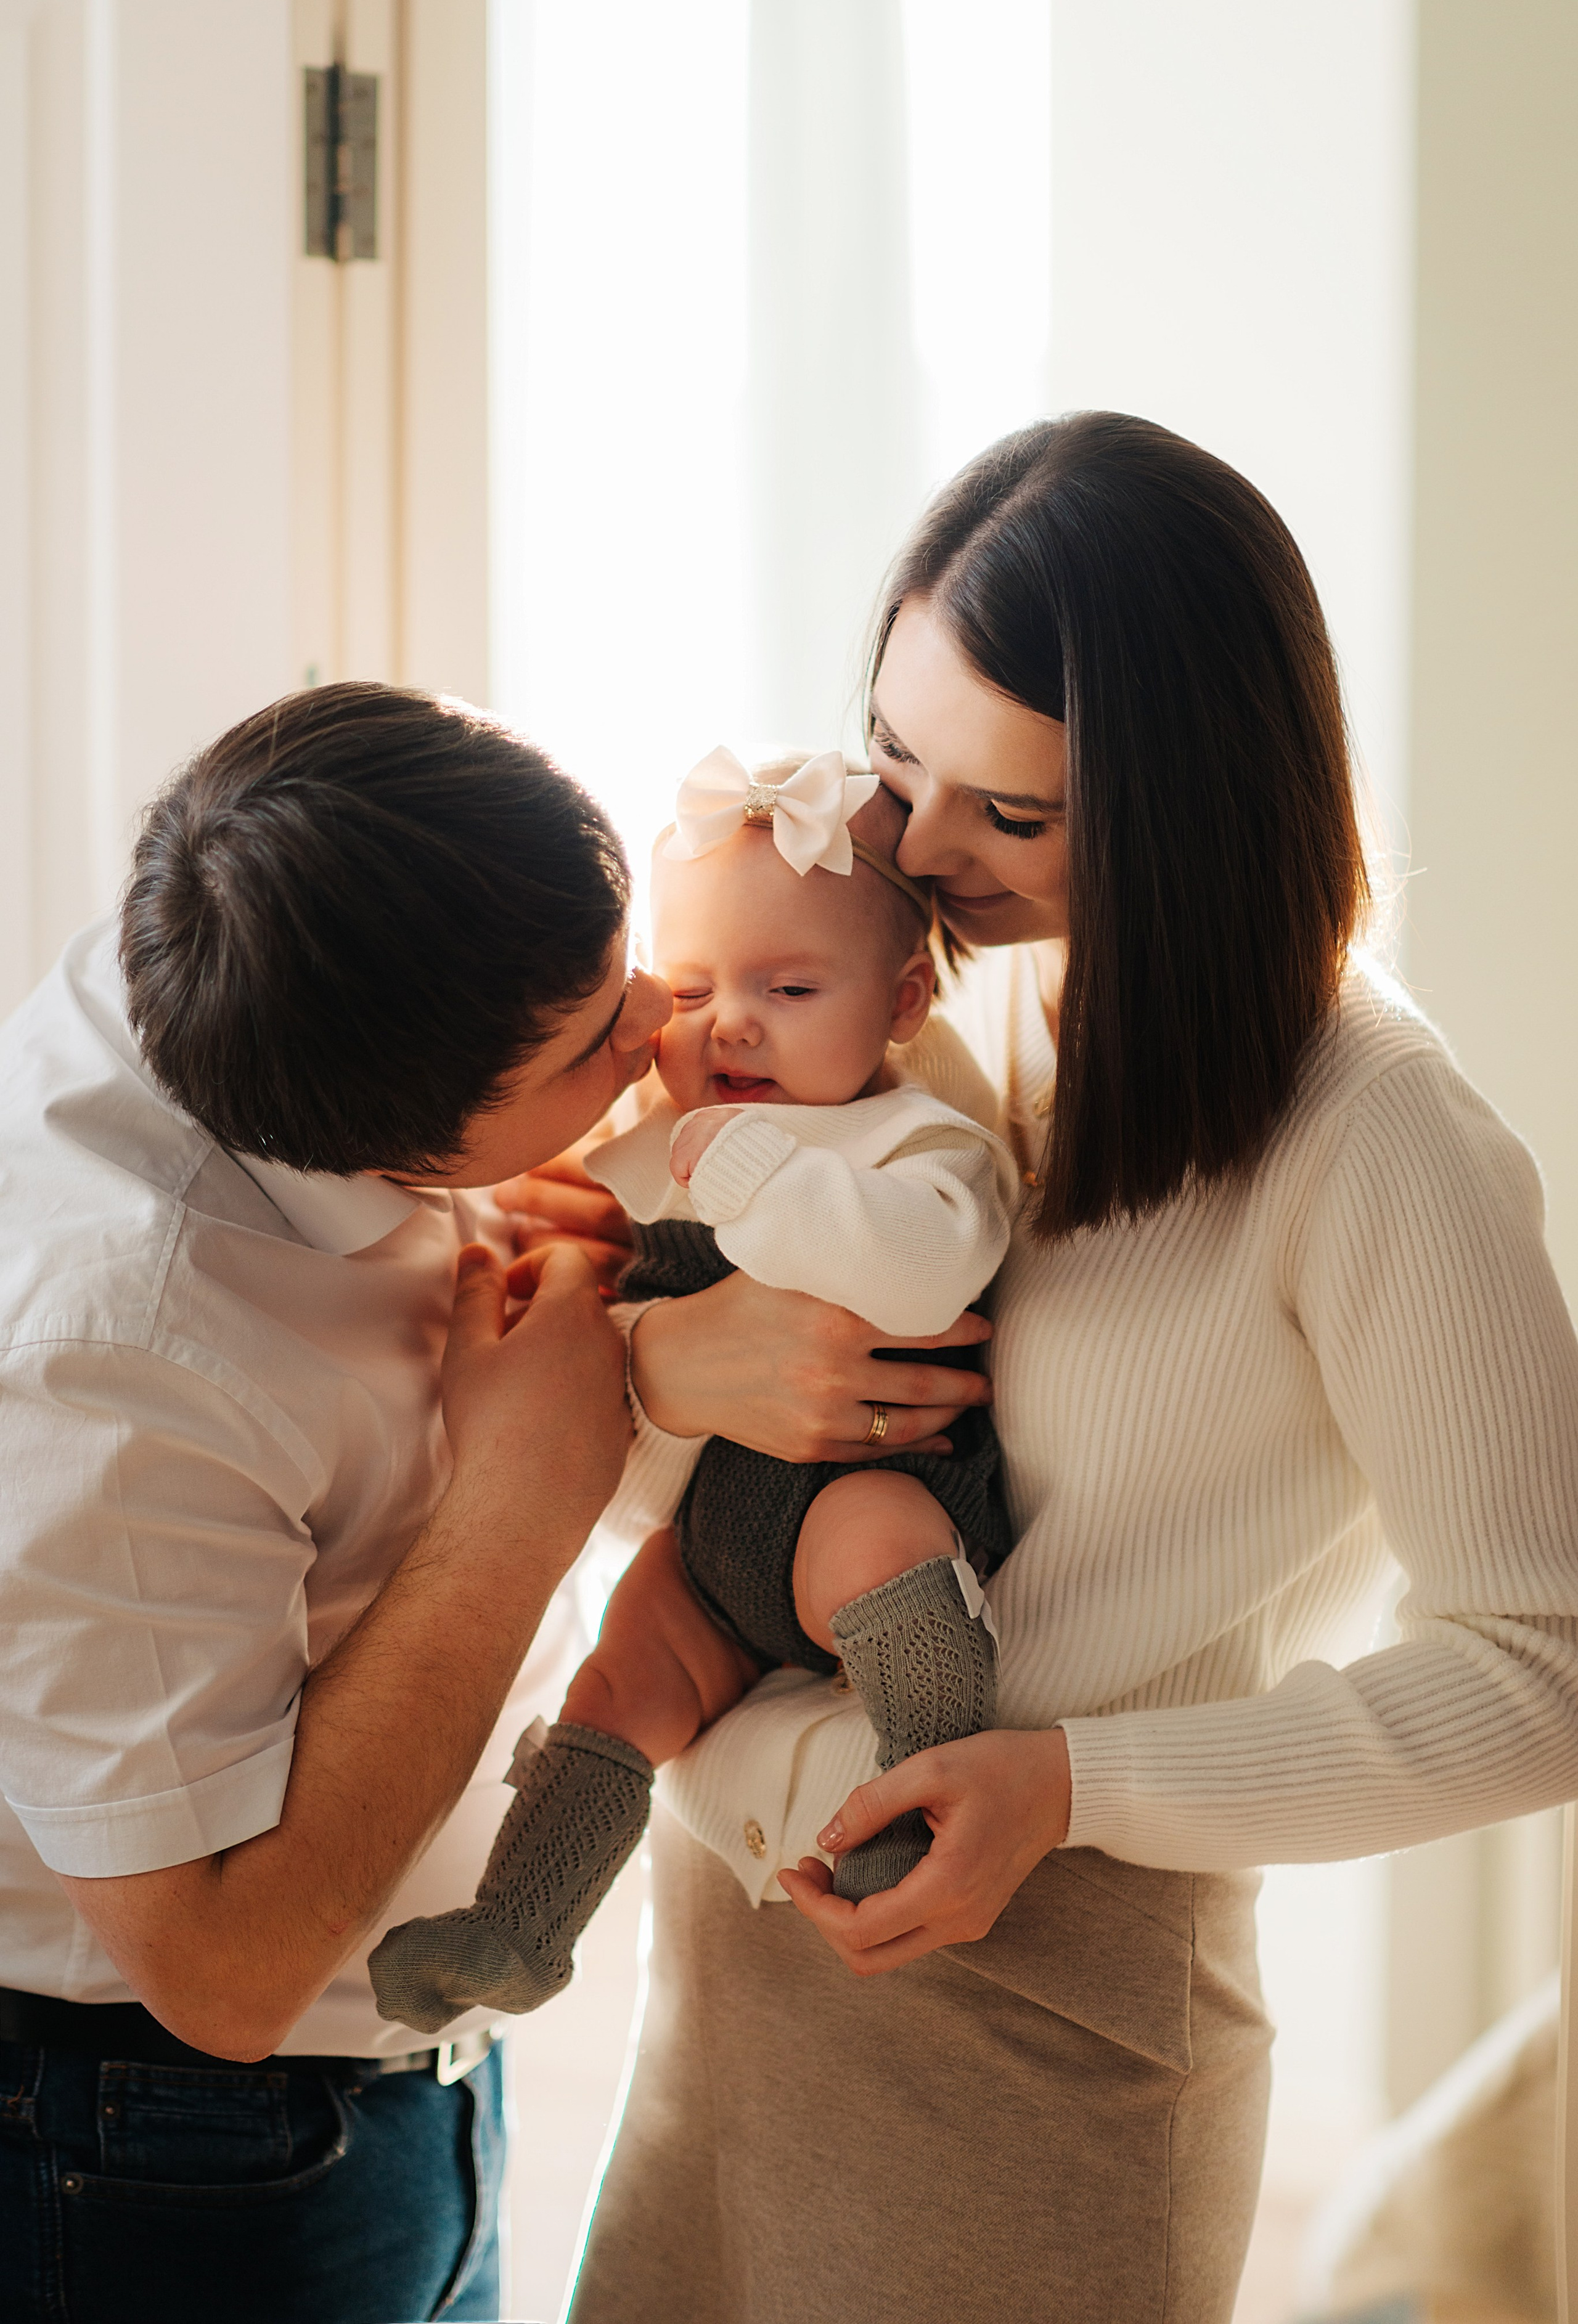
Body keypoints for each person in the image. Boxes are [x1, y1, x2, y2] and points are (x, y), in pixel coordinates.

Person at [539, 414, 1578, 2324]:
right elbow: (668, 1450)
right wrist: (674, 1368)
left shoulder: (1381, 1137)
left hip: (1035, 2014)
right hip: (736, 1961)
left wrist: (1073, 1783)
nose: (918, 855)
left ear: (1189, 812)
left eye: (1012, 816)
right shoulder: (901, 986)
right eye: (902, 756)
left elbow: (1550, 1663)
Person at [0, 683, 677, 2323]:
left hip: (411, 2066)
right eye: (592, 1043)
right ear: (389, 1134)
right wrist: (524, 1497)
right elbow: (219, 1976)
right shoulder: (110, 1364)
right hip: (185, 2150)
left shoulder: (259, 929)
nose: (655, 1018)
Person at [369, 749, 1020, 2035]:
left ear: (899, 1004)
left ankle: (920, 1798)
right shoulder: (648, 1148)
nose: (730, 1023)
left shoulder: (923, 1143)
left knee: (882, 1546)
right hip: (714, 1541)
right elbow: (549, 1281)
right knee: (619, 1668)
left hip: (871, 1495)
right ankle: (519, 1922)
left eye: (787, 988)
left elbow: (927, 1266)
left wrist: (748, 1172)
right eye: (696, 986)